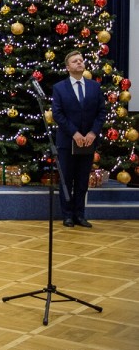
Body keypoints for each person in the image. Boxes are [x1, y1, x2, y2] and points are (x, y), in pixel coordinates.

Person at [51, 51, 107, 228]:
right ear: (68, 67)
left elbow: (101, 112)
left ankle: (80, 215)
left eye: (81, 60)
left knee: (82, 180)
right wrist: (74, 133)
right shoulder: (59, 88)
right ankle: (67, 215)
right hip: (68, 142)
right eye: (75, 61)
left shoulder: (94, 87)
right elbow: (57, 114)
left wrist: (92, 133)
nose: (80, 63)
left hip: (88, 142)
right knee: (66, 179)